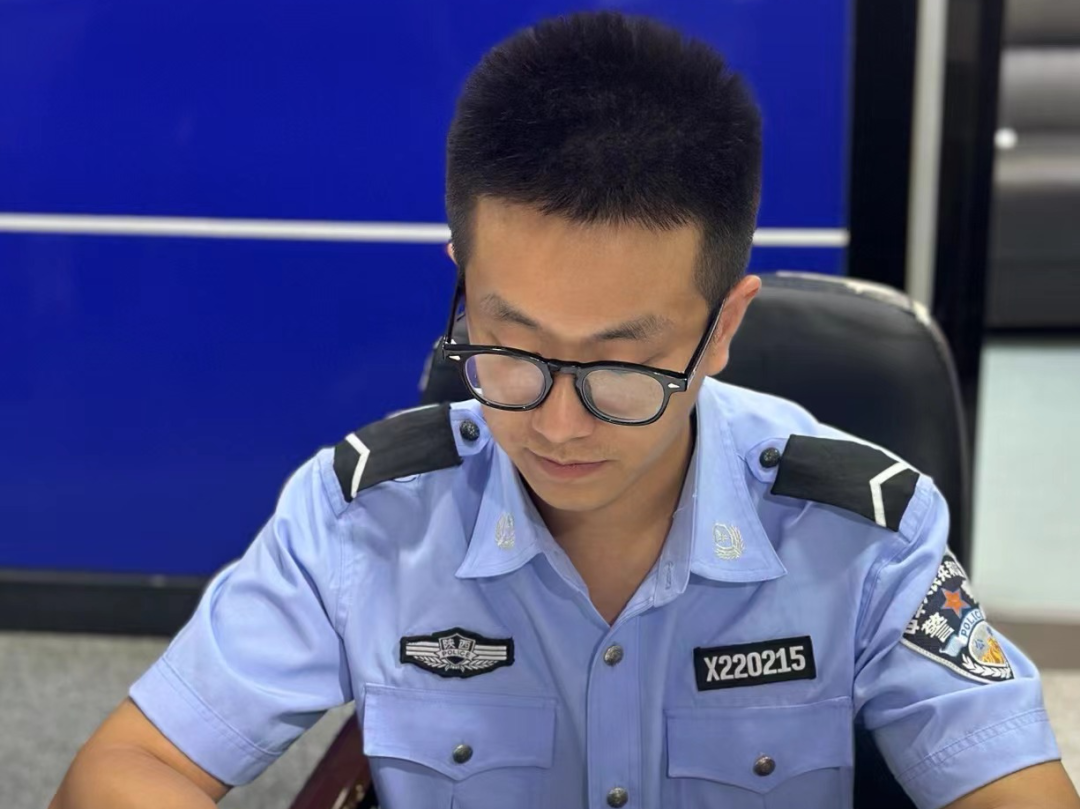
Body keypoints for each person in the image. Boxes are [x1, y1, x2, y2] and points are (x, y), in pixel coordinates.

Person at [51, 11, 1078, 809]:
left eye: (621, 367)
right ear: (464, 286)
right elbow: (131, 765)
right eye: (511, 346)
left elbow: (1014, 783)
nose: (557, 425)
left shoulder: (865, 532)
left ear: (723, 327)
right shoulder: (364, 518)